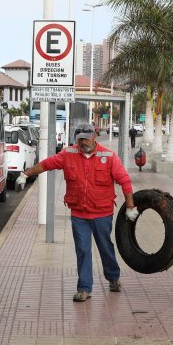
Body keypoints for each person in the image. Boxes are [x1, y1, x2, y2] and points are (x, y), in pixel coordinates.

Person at [23, 121, 138, 302]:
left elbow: (125, 181)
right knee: (83, 250)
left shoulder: (109, 156)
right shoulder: (68, 154)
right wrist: (25, 174)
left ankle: (113, 277)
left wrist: (130, 206)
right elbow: (47, 164)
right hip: (79, 214)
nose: (82, 143)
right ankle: (84, 288)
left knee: (105, 248)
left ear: (94, 136)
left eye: (86, 139)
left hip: (102, 213)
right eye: (79, 140)